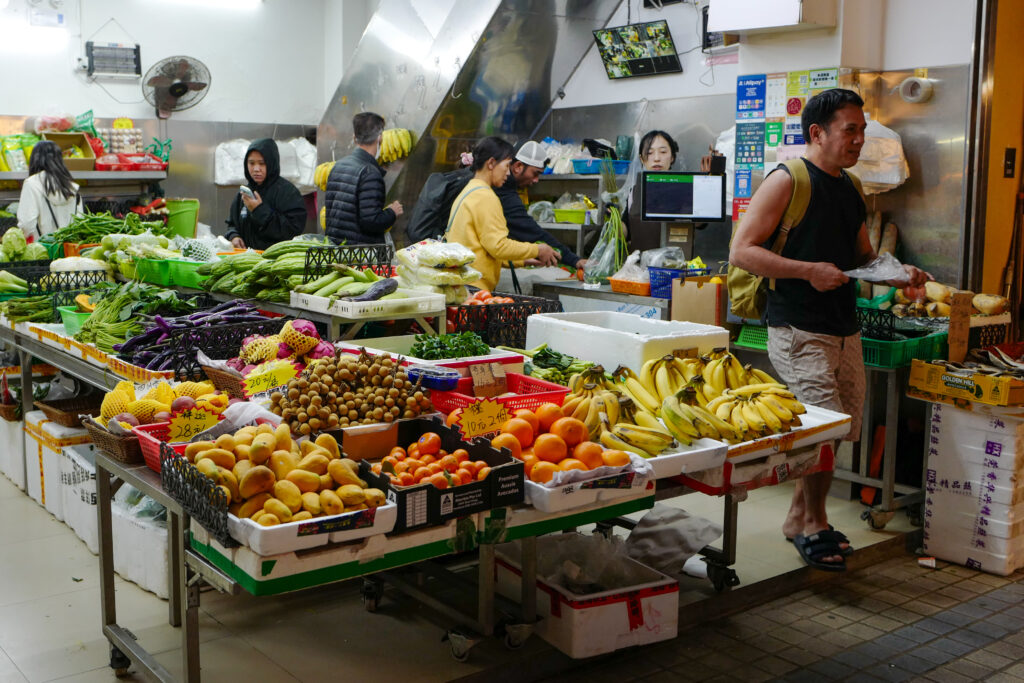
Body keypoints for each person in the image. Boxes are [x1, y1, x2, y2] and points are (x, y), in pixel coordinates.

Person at [729, 88, 928, 571]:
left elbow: (862, 257)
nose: (859, 139)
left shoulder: (851, 187)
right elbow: (742, 251)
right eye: (850, 129)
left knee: (837, 428)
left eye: (862, 129)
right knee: (822, 428)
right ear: (817, 132)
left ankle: (799, 515)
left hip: (845, 329)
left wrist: (898, 273)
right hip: (798, 327)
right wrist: (807, 270)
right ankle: (814, 521)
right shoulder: (788, 181)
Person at [446, 136, 556, 291]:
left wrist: (523, 261)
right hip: (475, 286)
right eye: (506, 166)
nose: (508, 173)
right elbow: (499, 246)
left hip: (463, 284)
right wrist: (538, 249)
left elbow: (484, 248)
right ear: (491, 163)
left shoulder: (469, 191)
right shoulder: (485, 196)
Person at [495, 140, 586, 270]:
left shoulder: (495, 187)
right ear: (518, 166)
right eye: (535, 173)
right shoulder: (501, 192)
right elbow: (530, 231)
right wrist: (574, 260)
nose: (536, 180)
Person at [323, 112, 403, 245]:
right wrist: (392, 212)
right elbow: (371, 222)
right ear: (379, 138)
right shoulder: (370, 173)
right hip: (359, 256)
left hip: (335, 248)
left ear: (354, 138)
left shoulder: (338, 166)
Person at [225, 138, 306, 250]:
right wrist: (234, 236)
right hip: (245, 260)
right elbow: (232, 224)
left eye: (262, 163)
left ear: (272, 163)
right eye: (251, 163)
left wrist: (258, 210)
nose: (256, 169)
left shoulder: (288, 193)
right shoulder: (244, 193)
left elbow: (291, 231)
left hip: (275, 262)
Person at [16, 140, 83, 240]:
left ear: (35, 160)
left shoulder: (32, 184)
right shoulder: (72, 187)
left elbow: (26, 225)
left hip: (43, 252)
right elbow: (81, 223)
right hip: (69, 250)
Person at [628, 129, 680, 252]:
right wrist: (612, 220)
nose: (656, 158)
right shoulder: (634, 191)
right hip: (641, 265)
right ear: (641, 159)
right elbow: (626, 230)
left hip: (674, 265)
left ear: (672, 157)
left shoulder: (682, 189)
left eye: (663, 152)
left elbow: (699, 224)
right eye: (649, 153)